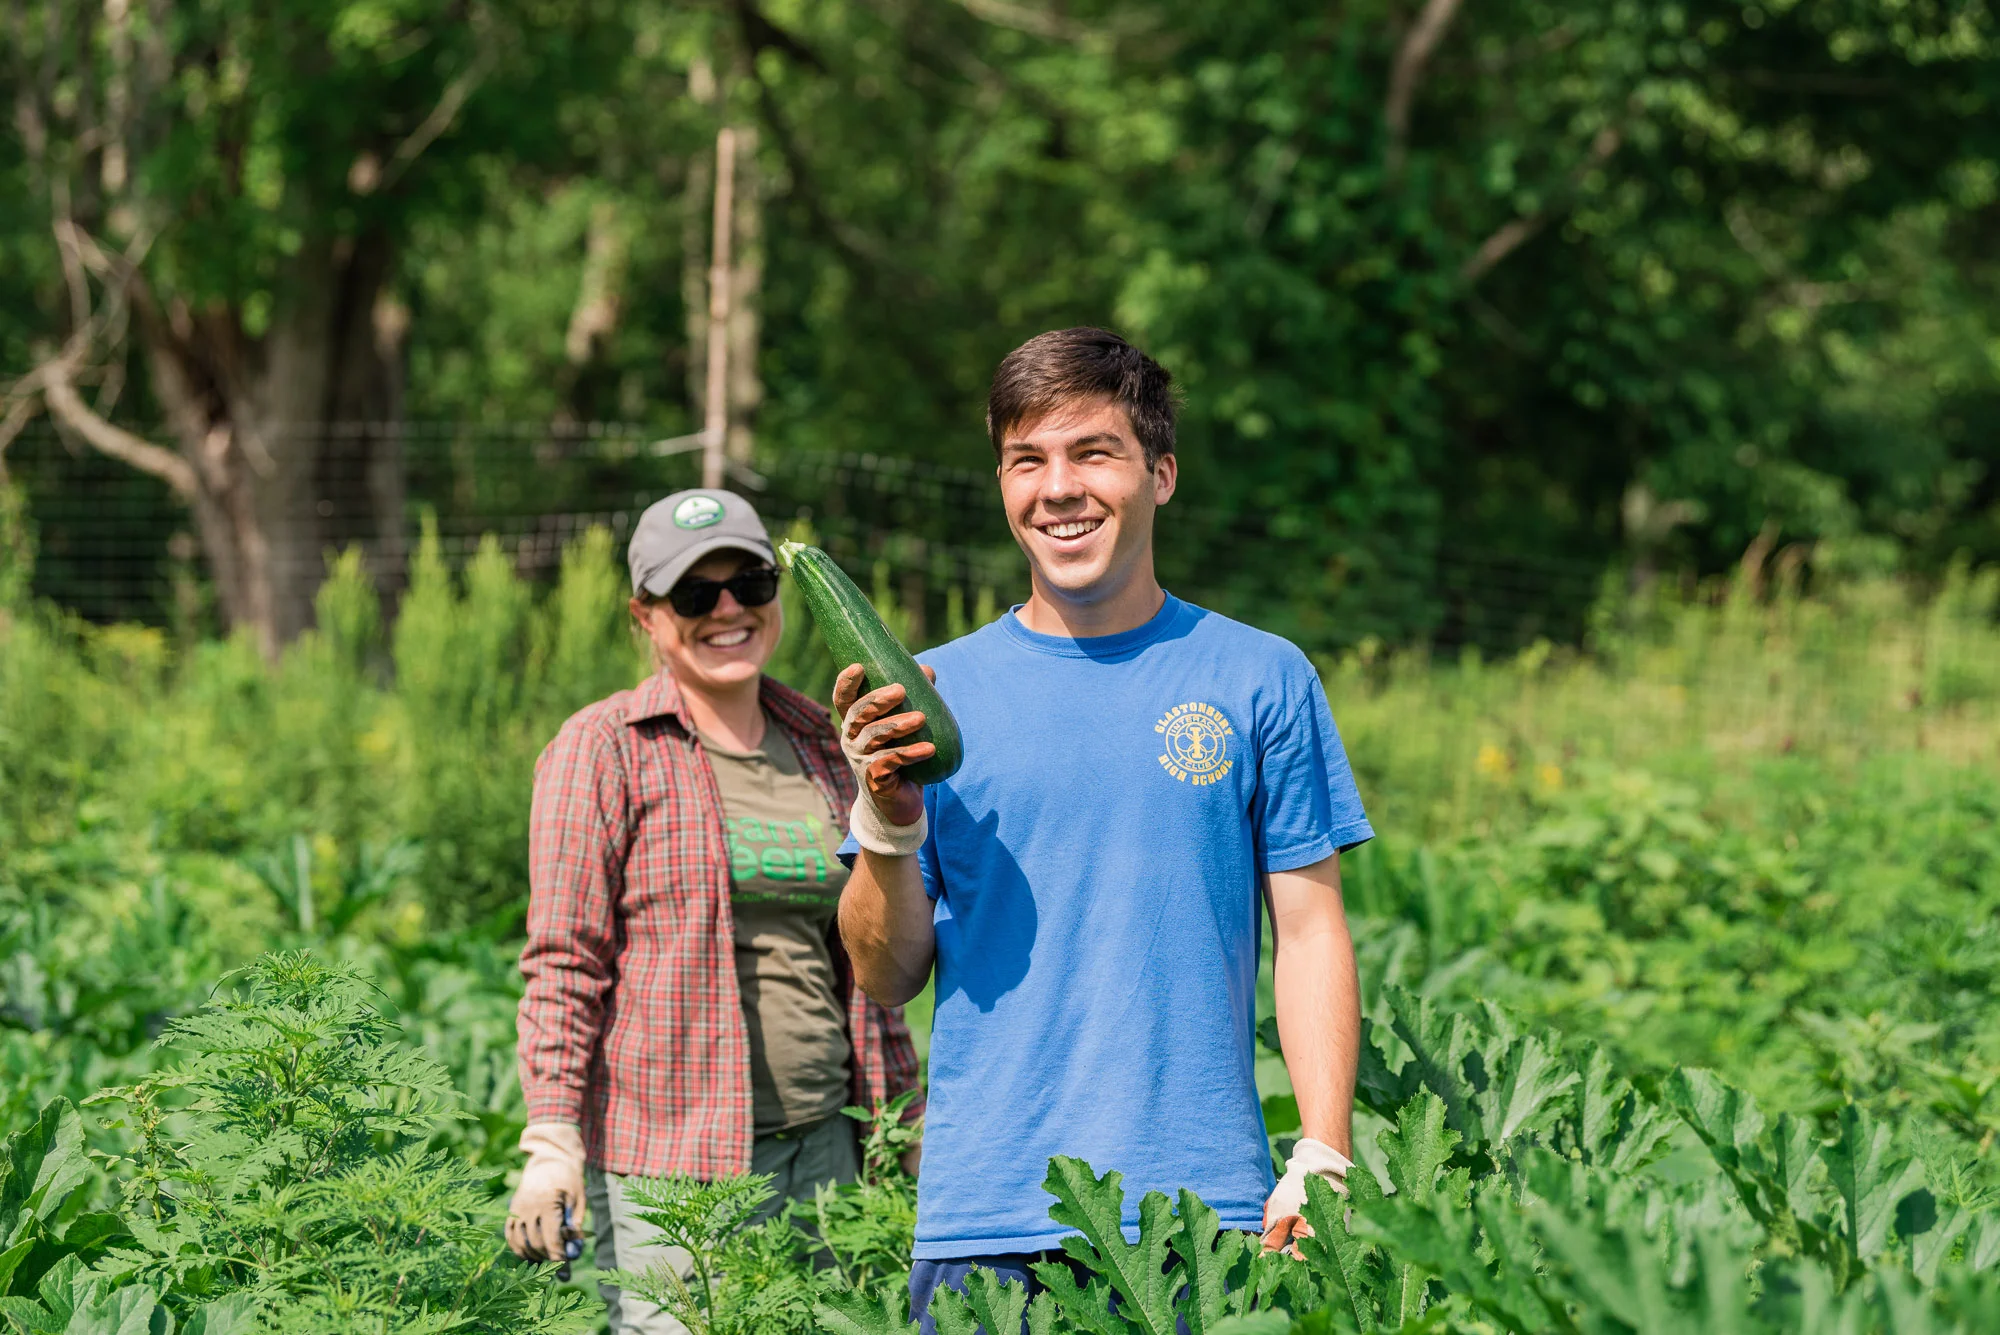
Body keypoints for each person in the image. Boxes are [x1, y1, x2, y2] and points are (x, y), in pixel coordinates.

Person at [834, 328, 1372, 1325]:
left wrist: (1322, 1147)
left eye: (1093, 453)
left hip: (1198, 1219)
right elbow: (883, 972)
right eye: (1025, 461)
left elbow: (1309, 932)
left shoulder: (1258, 677)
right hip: (986, 1219)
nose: (1057, 488)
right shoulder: (929, 695)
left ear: (1159, 474)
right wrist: (886, 821)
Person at [506, 489, 925, 1335]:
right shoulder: (604, 748)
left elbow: (869, 949)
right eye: (695, 594)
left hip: (831, 1149)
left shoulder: (824, 742)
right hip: (674, 1168)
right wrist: (551, 1140)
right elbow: (564, 962)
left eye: (750, 582)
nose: (728, 608)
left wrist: (903, 1123)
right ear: (646, 616)